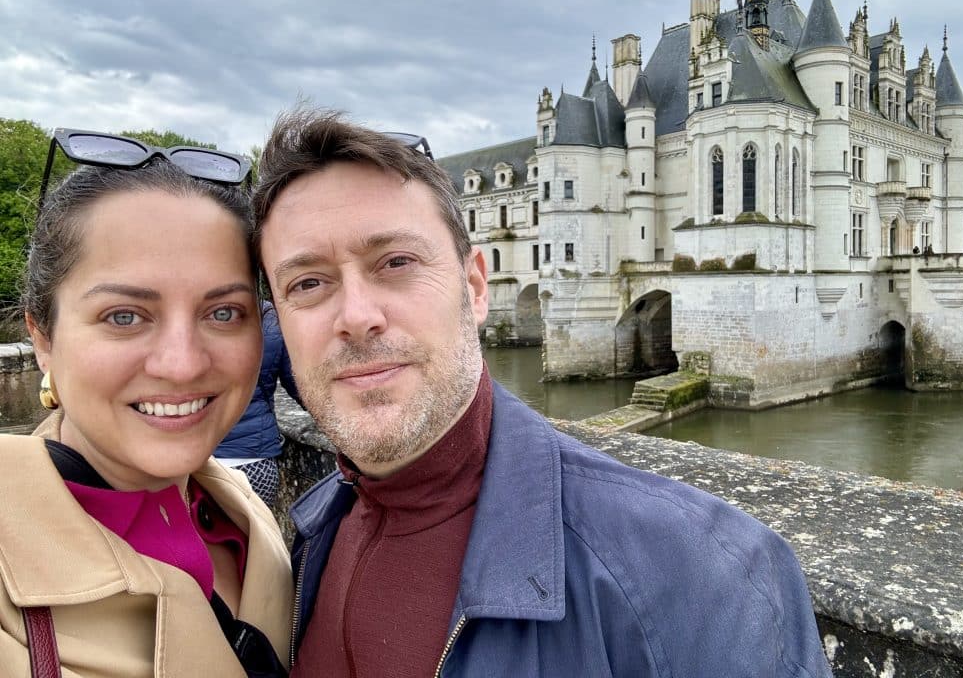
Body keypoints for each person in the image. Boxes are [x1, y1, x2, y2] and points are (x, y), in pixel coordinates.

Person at [253, 108, 833, 677]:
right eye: (308, 283)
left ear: (475, 288)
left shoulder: (703, 575)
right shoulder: (308, 537)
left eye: (396, 262)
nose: (357, 316)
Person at [0, 130, 292, 677]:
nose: (182, 365)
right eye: (124, 316)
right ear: (43, 338)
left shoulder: (250, 522)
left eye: (223, 313)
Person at [215, 299, 300, 509]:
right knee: (258, 538)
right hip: (256, 461)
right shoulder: (268, 317)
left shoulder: (190, 316)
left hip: (204, 464)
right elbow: (296, 384)